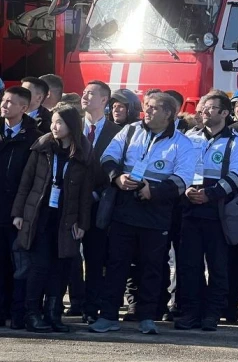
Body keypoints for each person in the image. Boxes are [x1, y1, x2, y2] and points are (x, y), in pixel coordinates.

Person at [89, 93, 199, 335]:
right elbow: (108, 156)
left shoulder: (182, 143)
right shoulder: (130, 131)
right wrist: (117, 177)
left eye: (153, 108)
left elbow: (183, 179)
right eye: (146, 107)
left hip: (157, 211)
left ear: (168, 113)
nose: (146, 111)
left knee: (152, 266)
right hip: (124, 208)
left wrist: (154, 192)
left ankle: (147, 317)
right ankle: (108, 315)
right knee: (117, 263)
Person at [11, 105, 92, 333]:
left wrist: (83, 224)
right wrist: (18, 213)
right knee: (39, 266)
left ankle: (53, 313)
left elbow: (86, 193)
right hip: (39, 215)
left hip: (66, 218)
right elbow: (26, 182)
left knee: (60, 267)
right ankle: (32, 314)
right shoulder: (42, 147)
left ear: (71, 125)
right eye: (53, 122)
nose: (54, 127)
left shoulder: (83, 151)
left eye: (60, 123)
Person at [176, 92, 238, 332]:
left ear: (225, 113)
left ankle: (212, 314)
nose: (204, 111)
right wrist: (186, 189)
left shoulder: (236, 142)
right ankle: (190, 312)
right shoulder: (189, 137)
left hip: (217, 212)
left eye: (210, 108)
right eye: (203, 107)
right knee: (189, 265)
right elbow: (180, 167)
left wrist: (210, 193)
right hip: (189, 210)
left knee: (218, 266)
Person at [80, 81, 122, 324]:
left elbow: (117, 167)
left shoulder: (117, 132)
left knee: (95, 258)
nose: (85, 96)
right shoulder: (72, 126)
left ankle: (91, 306)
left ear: (105, 100)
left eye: (91, 93)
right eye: (84, 93)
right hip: (70, 203)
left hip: (100, 204)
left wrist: (97, 193)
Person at [0, 86, 40, 329]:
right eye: (3, 100)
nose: (4, 105)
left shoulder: (34, 137)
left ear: (24, 108)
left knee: (18, 266)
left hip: (16, 213)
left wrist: (24, 211)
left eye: (11, 102)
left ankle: (17, 313)